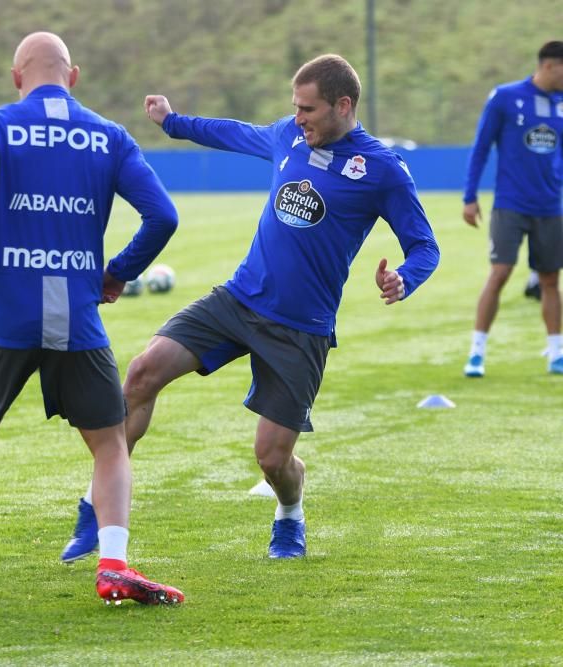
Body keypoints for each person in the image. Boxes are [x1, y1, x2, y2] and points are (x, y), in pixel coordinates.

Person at [59, 53, 440, 563]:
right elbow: (235, 133)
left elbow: (425, 246)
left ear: (343, 105)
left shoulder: (381, 171)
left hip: (300, 330)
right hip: (238, 300)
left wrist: (403, 278)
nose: (298, 117)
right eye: (295, 107)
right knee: (143, 372)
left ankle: (289, 515)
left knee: (273, 459)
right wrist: (174, 123)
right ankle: (95, 509)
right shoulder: (289, 135)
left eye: (308, 108)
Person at [0, 32, 183, 605]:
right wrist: (118, 272)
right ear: (74, 76)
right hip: (78, 315)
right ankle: (113, 564)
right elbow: (163, 215)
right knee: (110, 444)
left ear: (17, 78)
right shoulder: (109, 136)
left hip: (4, 315)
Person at [462, 41, 563, 378]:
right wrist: (469, 196)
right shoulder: (506, 97)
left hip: (551, 207)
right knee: (500, 273)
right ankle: (476, 352)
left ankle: (556, 353)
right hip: (511, 204)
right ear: (550, 66)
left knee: (550, 279)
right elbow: (480, 147)